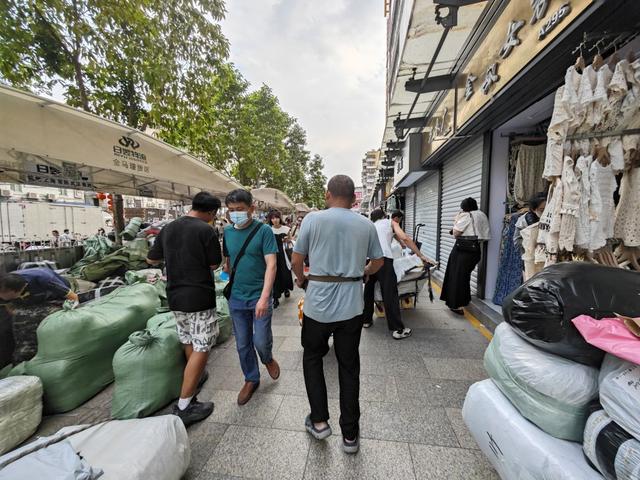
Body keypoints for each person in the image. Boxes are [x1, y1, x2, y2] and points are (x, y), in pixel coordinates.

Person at [291, 175, 384, 455]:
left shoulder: (312, 219)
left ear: (327, 194)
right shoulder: (366, 224)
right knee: (348, 367)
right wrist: (363, 273)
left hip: (317, 304)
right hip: (351, 307)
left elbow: (297, 259)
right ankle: (350, 436)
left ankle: (319, 422)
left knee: (312, 358)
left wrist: (301, 279)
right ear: (355, 199)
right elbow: (378, 261)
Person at [146, 191, 222, 426]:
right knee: (203, 346)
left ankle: (193, 388)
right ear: (211, 213)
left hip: (175, 296)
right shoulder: (205, 230)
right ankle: (184, 405)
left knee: (188, 340)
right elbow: (214, 263)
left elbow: (152, 259)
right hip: (198, 295)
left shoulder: (168, 228)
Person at [222, 189, 280, 406]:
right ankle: (251, 378)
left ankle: (267, 358)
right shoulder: (227, 232)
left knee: (261, 341)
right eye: (231, 210)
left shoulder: (264, 231)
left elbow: (271, 265)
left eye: (240, 210)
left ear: (251, 209)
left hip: (259, 295)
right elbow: (228, 262)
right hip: (236, 297)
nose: (235, 214)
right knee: (243, 344)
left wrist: (264, 297)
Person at [362, 208, 432, 338]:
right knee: (390, 293)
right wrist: (420, 255)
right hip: (383, 260)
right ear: (385, 216)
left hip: (369, 260)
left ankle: (366, 320)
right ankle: (398, 329)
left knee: (368, 290)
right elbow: (404, 238)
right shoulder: (390, 222)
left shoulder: (369, 225)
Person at [440, 197, 490, 315]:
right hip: (475, 250)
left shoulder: (467, 216)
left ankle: (455, 305)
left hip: (462, 249)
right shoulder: (482, 215)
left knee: (456, 276)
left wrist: (456, 220)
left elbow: (456, 233)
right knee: (464, 276)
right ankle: (464, 300)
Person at [0, 268, 79, 308]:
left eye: (11, 298)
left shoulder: (46, 279)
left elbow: (73, 297)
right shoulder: (5, 282)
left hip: (59, 291)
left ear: (21, 290)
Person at [267, 210, 294, 308]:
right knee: (274, 275)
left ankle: (286, 288)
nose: (275, 220)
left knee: (285, 273)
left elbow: (291, 242)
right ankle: (275, 298)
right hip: (272, 255)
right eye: (273, 218)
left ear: (280, 218)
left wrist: (288, 240)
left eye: (277, 217)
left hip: (284, 255)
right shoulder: (268, 229)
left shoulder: (286, 229)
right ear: (270, 219)